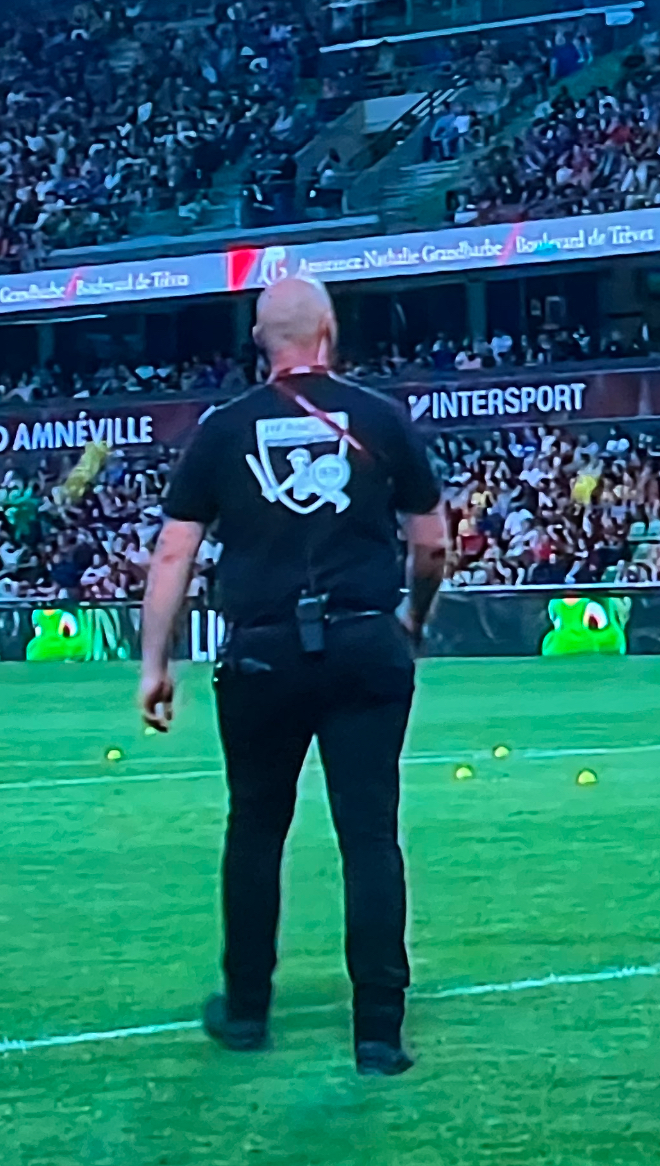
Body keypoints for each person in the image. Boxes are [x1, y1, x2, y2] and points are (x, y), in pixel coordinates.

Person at [136, 276, 449, 1077]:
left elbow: (175, 551)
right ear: (329, 333)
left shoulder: (223, 429)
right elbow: (432, 544)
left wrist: (156, 663)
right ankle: (378, 1032)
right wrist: (411, 619)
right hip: (363, 641)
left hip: (263, 651)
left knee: (255, 828)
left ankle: (245, 1012)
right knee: (370, 836)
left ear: (259, 342)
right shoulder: (381, 418)